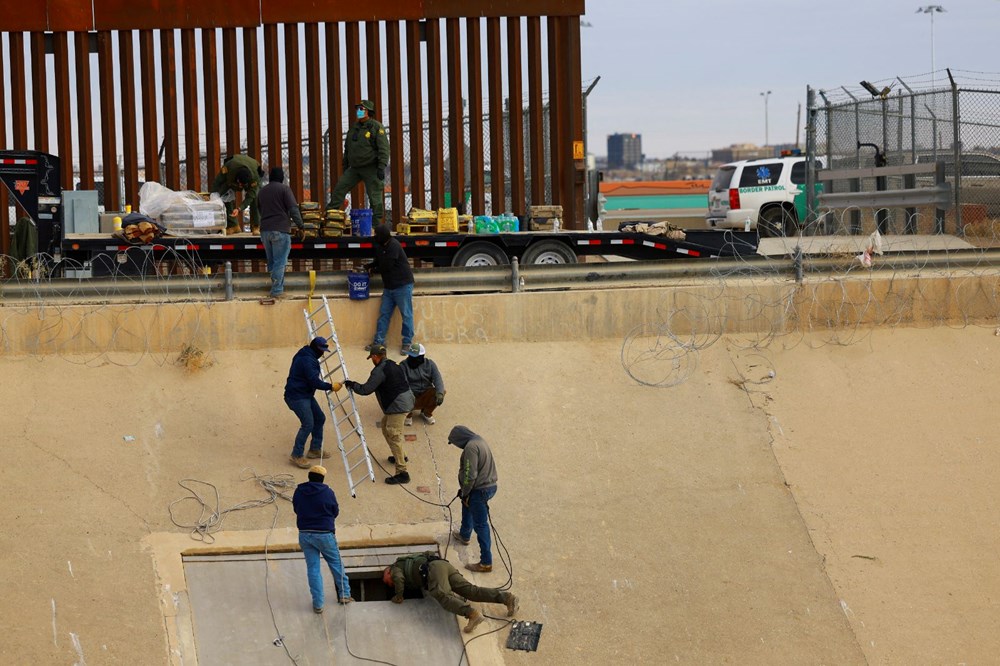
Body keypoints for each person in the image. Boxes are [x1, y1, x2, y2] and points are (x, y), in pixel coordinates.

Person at [382, 552, 517, 633]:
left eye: (387, 580)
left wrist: (399, 596)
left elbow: (398, 579)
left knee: (443, 596)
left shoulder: (395, 568)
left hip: (433, 570)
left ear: (388, 571)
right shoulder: (407, 560)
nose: (389, 583)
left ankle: (471, 614)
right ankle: (507, 598)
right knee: (471, 591)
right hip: (442, 565)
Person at [343, 343, 414, 485]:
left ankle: (402, 472)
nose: (372, 361)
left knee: (393, 435)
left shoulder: (379, 371)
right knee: (385, 426)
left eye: (372, 358)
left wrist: (352, 384)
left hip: (397, 406)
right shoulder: (393, 364)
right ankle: (400, 456)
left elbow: (366, 389)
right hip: (406, 400)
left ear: (375, 356)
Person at [292, 465, 353, 613]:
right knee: (336, 564)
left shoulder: (299, 491)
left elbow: (296, 508)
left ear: (309, 476)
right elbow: (335, 511)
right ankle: (344, 594)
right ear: (322, 478)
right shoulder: (328, 492)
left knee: (313, 569)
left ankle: (318, 604)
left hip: (305, 534)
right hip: (325, 534)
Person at [327, 99, 390, 226]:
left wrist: (381, 166)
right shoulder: (354, 128)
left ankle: (376, 225)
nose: (359, 112)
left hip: (371, 167)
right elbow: (347, 149)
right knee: (339, 189)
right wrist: (345, 167)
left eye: (362, 109)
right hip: (354, 168)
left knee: (375, 197)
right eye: (358, 109)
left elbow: (384, 148)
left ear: (369, 112)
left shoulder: (376, 127)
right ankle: (329, 217)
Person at [449, 426, 498, 573]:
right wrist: (465, 495)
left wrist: (465, 492)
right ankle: (464, 535)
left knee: (481, 525)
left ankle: (486, 563)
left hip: (480, 490)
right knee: (466, 505)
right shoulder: (479, 440)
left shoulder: (470, 448)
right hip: (488, 486)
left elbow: (470, 474)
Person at [284, 337, 335, 469]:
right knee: (308, 424)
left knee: (319, 418)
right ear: (316, 348)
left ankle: (314, 449)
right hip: (296, 396)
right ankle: (296, 455)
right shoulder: (307, 360)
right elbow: (315, 382)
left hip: (304, 393)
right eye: (322, 350)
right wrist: (331, 386)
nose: (323, 353)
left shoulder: (307, 354)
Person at [365, 224, 415, 356]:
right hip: (389, 287)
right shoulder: (382, 246)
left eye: (376, 235)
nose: (374, 237)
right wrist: (369, 266)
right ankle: (379, 342)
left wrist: (374, 270)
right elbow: (379, 261)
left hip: (402, 286)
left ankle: (407, 342)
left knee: (406, 315)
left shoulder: (394, 245)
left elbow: (387, 266)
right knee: (384, 315)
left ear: (382, 236)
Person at [258, 167, 304, 299]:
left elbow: (260, 210)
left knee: (272, 261)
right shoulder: (284, 189)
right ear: (282, 178)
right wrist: (301, 226)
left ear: (270, 177)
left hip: (265, 231)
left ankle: (276, 287)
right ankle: (277, 291)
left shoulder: (262, 191)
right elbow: (293, 209)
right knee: (280, 261)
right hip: (280, 230)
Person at [211, 154, 263, 235]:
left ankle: (256, 226)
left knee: (255, 198)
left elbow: (250, 196)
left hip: (253, 170)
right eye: (240, 184)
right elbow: (217, 182)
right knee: (225, 195)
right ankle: (233, 226)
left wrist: (239, 208)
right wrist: (212, 196)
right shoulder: (228, 167)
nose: (240, 187)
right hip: (232, 175)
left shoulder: (254, 177)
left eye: (243, 185)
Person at [401, 344, 445, 425]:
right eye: (411, 356)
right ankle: (408, 415)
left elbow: (438, 379)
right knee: (402, 393)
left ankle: (426, 413)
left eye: (415, 357)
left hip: (425, 392)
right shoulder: (403, 365)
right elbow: (403, 384)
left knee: (439, 391)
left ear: (422, 356)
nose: (413, 359)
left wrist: (440, 393)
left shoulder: (430, 364)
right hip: (411, 394)